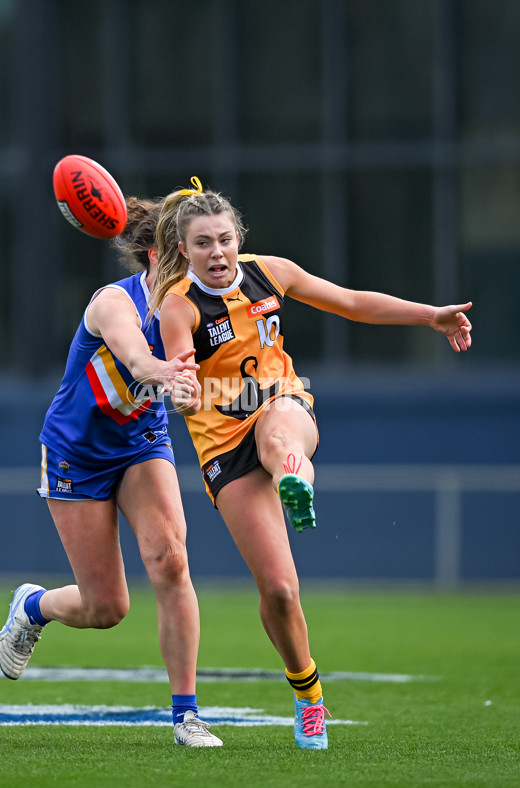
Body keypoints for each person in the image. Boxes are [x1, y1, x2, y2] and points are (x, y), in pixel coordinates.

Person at [148, 177, 473, 750]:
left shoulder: (271, 271)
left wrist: (430, 316)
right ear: (183, 251)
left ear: (238, 238)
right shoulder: (179, 306)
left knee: (280, 437)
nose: (217, 252)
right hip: (223, 447)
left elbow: (350, 302)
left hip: (281, 406)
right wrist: (180, 390)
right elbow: (182, 377)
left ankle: (295, 478)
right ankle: (309, 695)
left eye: (224, 239)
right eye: (203, 244)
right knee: (279, 590)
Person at [0, 195, 222, 748]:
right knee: (107, 608)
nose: (196, 266)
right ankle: (32, 606)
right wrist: (168, 374)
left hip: (141, 443)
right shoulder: (113, 303)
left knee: (171, 560)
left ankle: (186, 716)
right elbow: (137, 359)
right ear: (152, 258)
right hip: (77, 451)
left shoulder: (194, 305)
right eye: (182, 254)